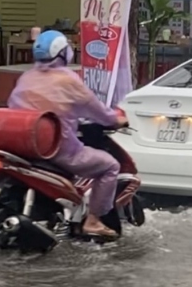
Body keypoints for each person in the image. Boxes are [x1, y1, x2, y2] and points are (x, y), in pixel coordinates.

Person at [7, 30, 128, 239]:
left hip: (20, 146)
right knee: (110, 166)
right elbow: (98, 111)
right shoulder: (69, 80)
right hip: (57, 149)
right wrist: (117, 119)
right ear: (63, 53)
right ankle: (93, 221)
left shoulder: (26, 77)